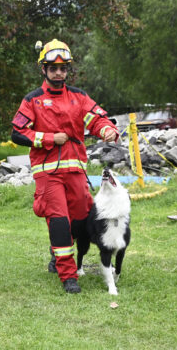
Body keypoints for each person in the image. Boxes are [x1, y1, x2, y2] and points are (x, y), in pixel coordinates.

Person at [10, 39, 118, 294]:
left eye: (63, 68)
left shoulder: (79, 97)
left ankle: (58, 254)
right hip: (48, 173)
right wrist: (48, 138)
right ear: (44, 69)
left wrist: (107, 130)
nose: (59, 72)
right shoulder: (33, 100)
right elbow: (17, 133)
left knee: (81, 219)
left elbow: (96, 119)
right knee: (59, 221)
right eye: (53, 68)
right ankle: (68, 275)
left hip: (76, 172)